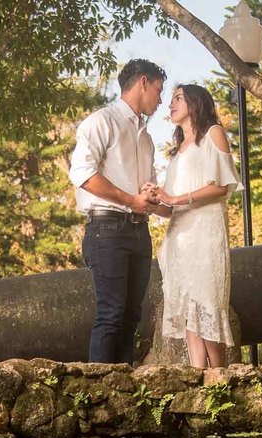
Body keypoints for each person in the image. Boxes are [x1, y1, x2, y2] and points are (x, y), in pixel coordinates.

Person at [68, 59, 166, 365]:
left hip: (139, 230)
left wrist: (148, 196)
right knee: (110, 313)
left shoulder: (147, 138)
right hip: (106, 229)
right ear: (142, 83)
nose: (161, 99)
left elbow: (143, 188)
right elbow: (83, 174)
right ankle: (99, 393)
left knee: (131, 316)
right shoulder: (101, 122)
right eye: (159, 90)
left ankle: (123, 391)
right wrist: (129, 200)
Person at [145, 84, 243, 368]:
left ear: (195, 102)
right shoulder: (176, 154)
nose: (171, 104)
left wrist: (175, 197)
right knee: (190, 311)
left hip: (206, 232)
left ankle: (220, 376)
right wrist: (153, 203)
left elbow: (222, 187)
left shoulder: (213, 133)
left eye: (177, 98)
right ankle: (198, 378)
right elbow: (170, 207)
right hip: (180, 238)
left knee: (208, 302)